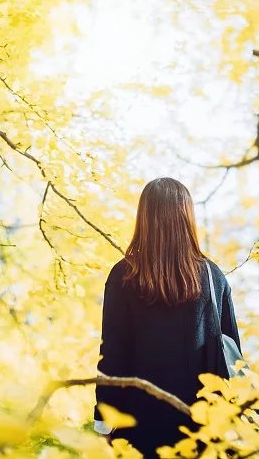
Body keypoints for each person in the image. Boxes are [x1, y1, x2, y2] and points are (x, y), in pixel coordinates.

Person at [92, 177, 243, 458]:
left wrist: (103, 424)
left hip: (137, 430)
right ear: (187, 217)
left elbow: (112, 353)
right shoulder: (212, 277)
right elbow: (233, 354)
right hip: (203, 431)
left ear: (144, 217)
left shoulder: (124, 275)